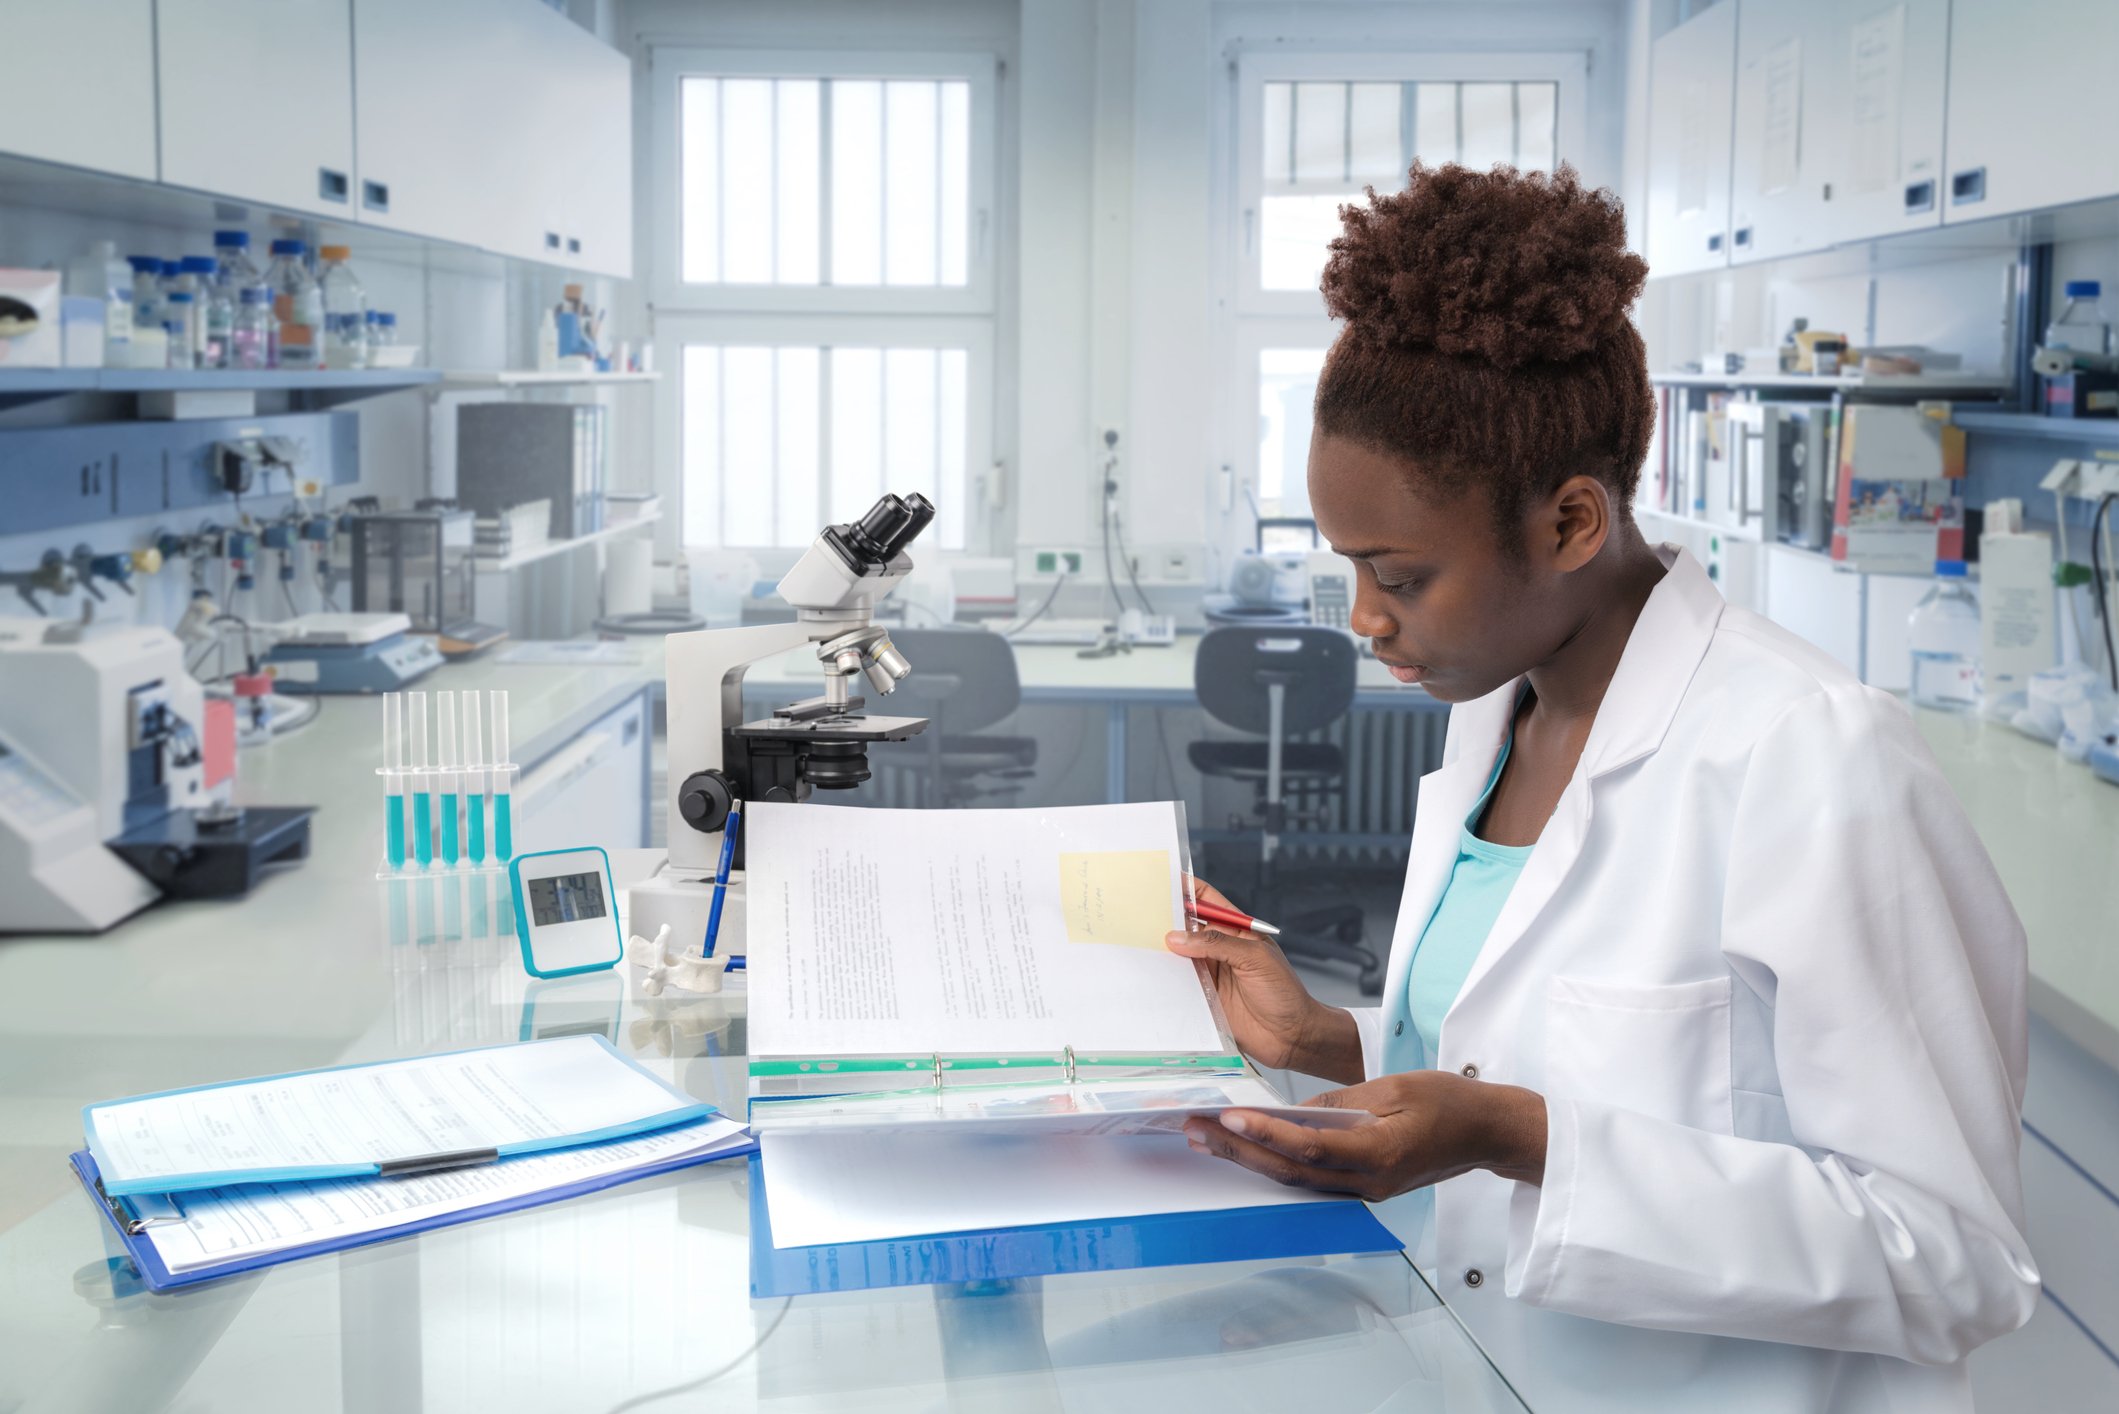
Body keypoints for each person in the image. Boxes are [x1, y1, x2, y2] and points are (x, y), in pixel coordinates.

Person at [1167, 164, 2038, 1413]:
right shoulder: (1492, 714)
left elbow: (1955, 1260)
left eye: (1400, 575)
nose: (1362, 618)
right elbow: (1560, 1052)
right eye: (1345, 566)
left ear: (1571, 521)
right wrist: (1329, 1042)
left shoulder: (1808, 753)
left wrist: (1508, 1136)